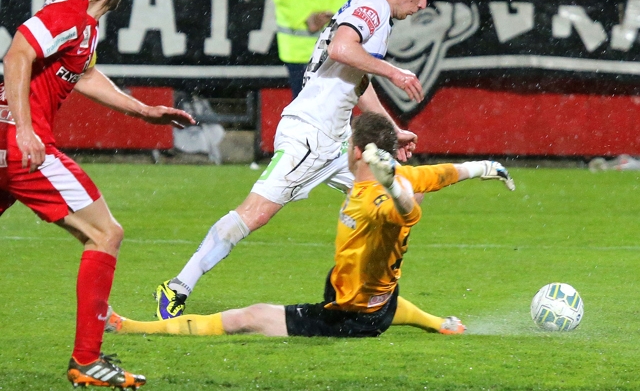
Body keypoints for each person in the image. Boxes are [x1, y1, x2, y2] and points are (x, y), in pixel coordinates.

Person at [155, 0, 436, 320]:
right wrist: (396, 73)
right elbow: (341, 48)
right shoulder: (374, 5)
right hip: (310, 135)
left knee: (403, 193)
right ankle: (177, 287)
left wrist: (391, 129)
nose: (423, 4)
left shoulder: (375, 15)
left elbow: (357, 78)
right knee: (253, 214)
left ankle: (366, 292)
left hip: (336, 140)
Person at [110, 113, 515, 339]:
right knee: (375, 286)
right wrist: (483, 167)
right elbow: (442, 173)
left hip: (349, 315)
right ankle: (432, 322)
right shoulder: (399, 180)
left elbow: (406, 212)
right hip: (380, 296)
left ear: (355, 151)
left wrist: (393, 187)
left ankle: (127, 326)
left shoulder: (374, 200)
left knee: (248, 318)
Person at [0, 0, 195, 389]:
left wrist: (143, 111)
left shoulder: (82, 24)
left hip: (5, 143)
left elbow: (83, 74)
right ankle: (86, 361)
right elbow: (17, 54)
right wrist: (26, 130)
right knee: (106, 232)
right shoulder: (66, 14)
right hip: (21, 145)